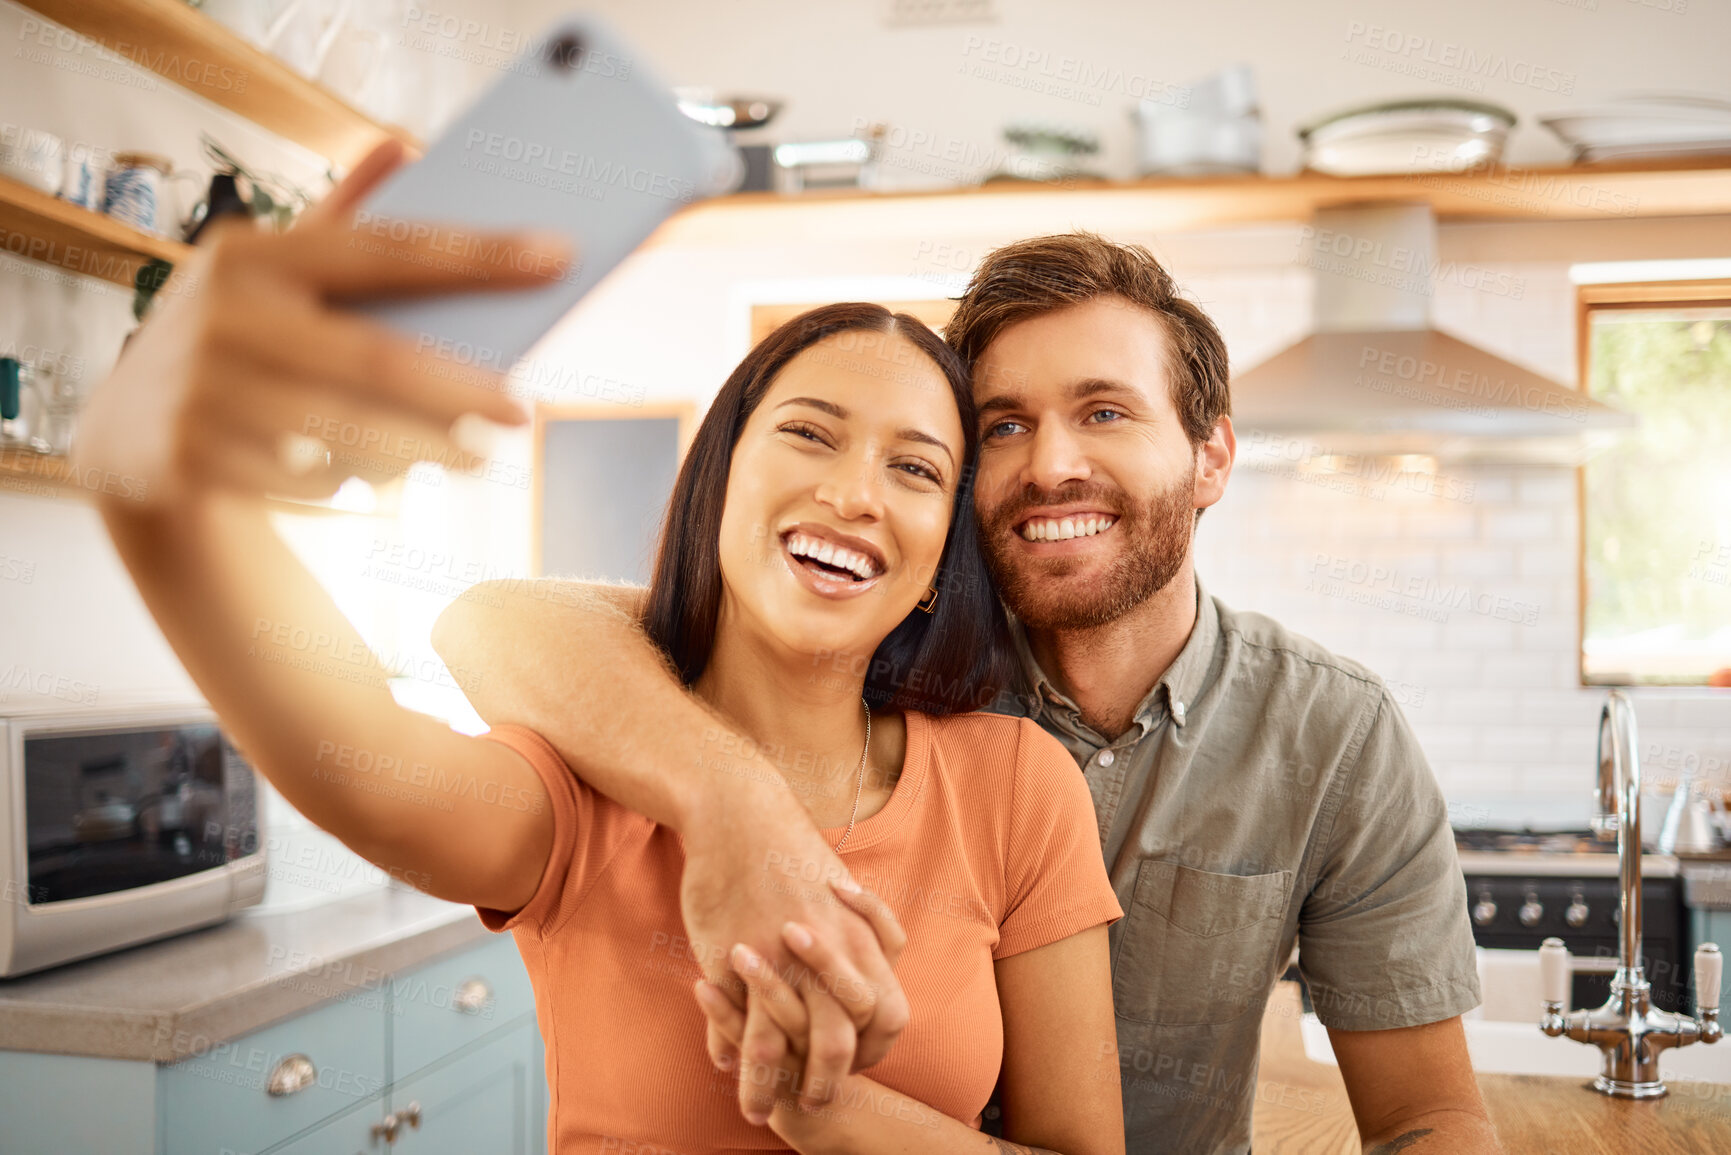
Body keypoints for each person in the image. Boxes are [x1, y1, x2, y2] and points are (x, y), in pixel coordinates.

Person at [73, 143, 1128, 1153]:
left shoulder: (1016, 789)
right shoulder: (586, 786)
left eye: (915, 469)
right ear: (720, 483)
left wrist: (838, 1117)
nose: (854, 492)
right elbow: (361, 764)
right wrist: (160, 494)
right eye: (808, 433)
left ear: (943, 558)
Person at [438, 234, 1504, 1154]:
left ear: (1210, 455)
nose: (1050, 465)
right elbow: (499, 620)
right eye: (1003, 426)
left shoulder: (1332, 731)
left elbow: (1428, 1114)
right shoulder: (872, 669)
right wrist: (735, 799)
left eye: (1104, 412)